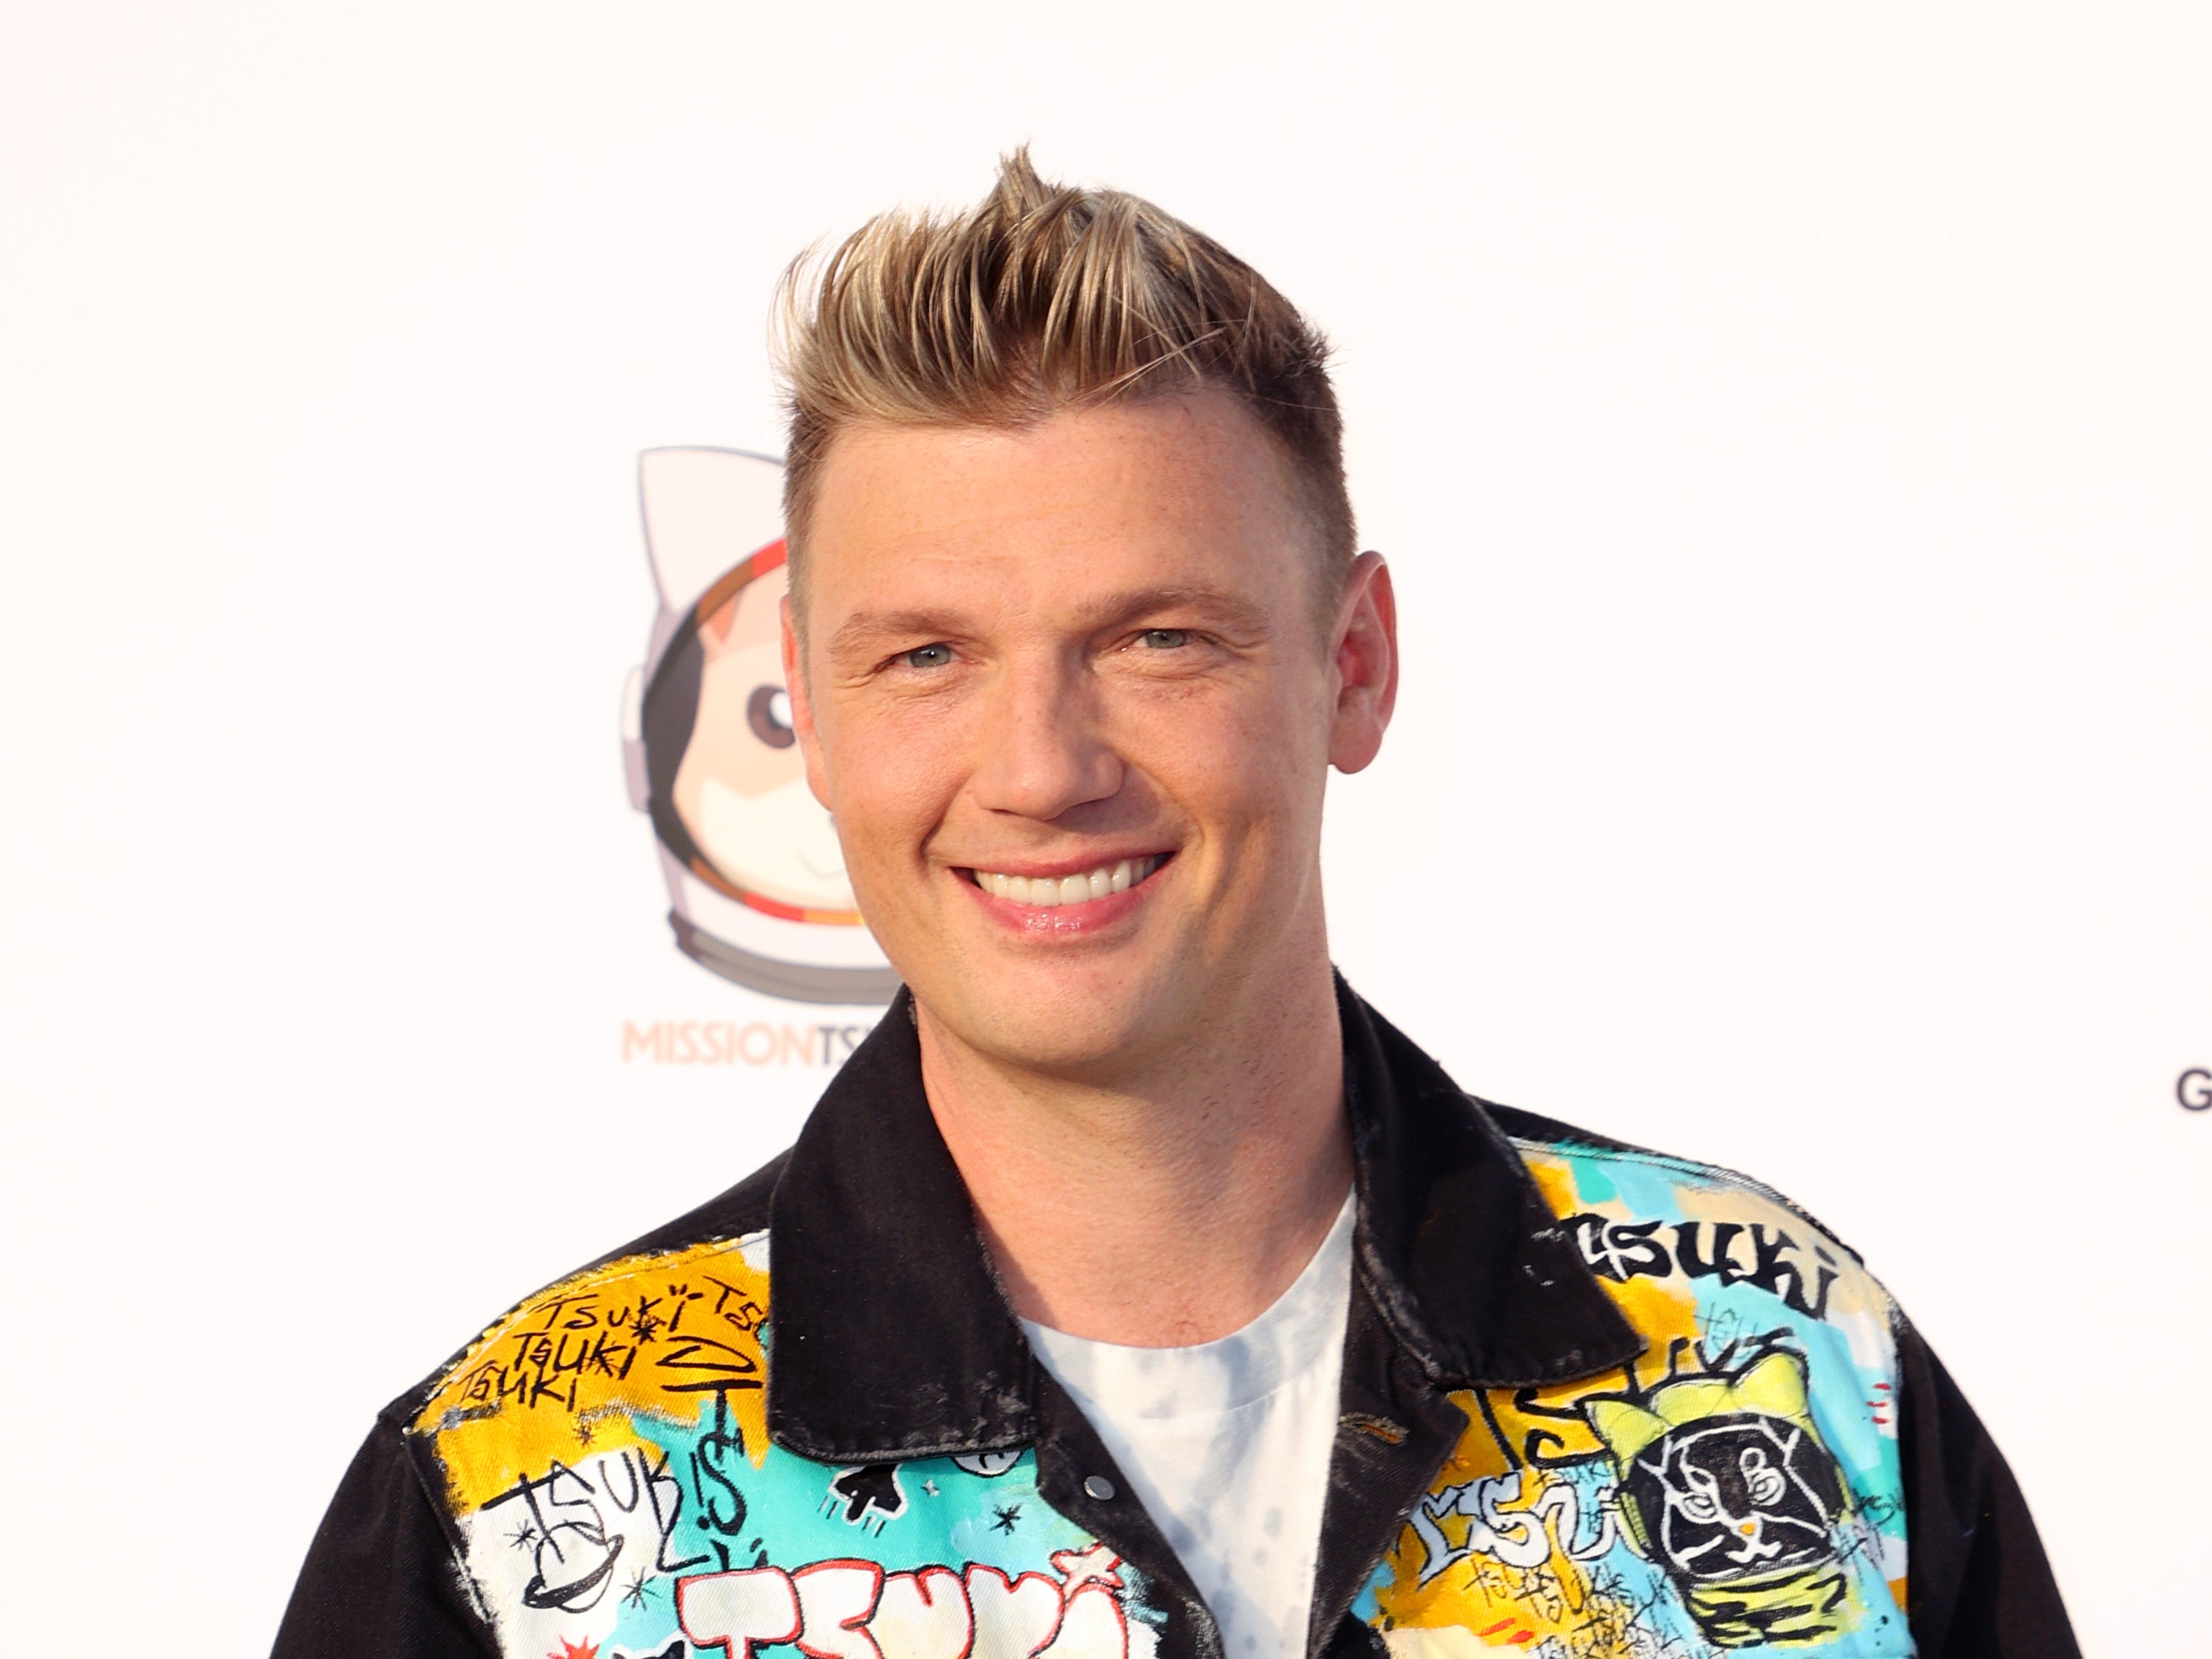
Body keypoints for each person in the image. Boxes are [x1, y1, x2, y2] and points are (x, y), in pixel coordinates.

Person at [273, 152, 2076, 1659]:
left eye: (1157, 639)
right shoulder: (511, 1497)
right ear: (809, 722)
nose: (1042, 765)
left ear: (1352, 665)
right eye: (925, 656)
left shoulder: (1785, 1357)